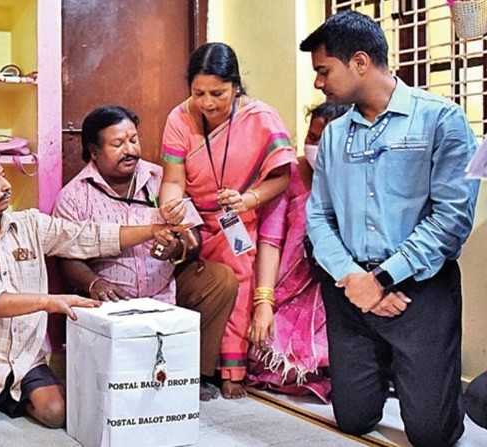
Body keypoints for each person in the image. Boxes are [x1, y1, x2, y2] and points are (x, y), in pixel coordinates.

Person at [300, 10, 479, 447]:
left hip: (418, 288)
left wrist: (382, 278)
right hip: (349, 288)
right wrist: (355, 278)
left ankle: (420, 381)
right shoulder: (335, 134)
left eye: (324, 70)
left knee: (431, 436)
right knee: (354, 420)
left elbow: (452, 219)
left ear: (359, 62)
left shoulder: (441, 119)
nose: (319, 83)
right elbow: (318, 216)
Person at [0, 142, 189, 441]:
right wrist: (49, 302)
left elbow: (88, 236)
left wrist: (152, 229)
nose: (5, 185)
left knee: (56, 414)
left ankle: (13, 396)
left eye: (3, 175)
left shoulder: (29, 224)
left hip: (27, 359)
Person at [53, 105, 238, 402]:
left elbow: (194, 235)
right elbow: (67, 258)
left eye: (134, 140)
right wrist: (94, 284)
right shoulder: (75, 195)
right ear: (94, 150)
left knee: (221, 279)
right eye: (118, 144)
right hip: (110, 302)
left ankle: (193, 374)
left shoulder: (159, 178)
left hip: (166, 289)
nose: (130, 150)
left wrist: (179, 247)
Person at [159, 42, 296, 398]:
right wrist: (173, 209)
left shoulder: (261, 118)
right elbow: (173, 181)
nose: (207, 102)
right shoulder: (179, 118)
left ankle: (232, 370)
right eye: (198, 92)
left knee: (239, 278)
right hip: (194, 222)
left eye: (217, 93)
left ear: (235, 86)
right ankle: (194, 367)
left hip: (238, 217)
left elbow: (281, 178)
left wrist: (246, 199)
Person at [246, 102, 348, 403]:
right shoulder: (290, 175)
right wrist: (264, 302)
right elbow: (271, 239)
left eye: (325, 140)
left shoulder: (360, 178)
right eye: (312, 137)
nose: (316, 146)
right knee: (267, 353)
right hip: (288, 285)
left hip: (338, 286)